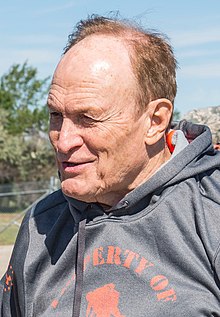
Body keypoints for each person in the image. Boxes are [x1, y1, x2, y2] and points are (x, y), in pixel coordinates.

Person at [1, 15, 220, 317]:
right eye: (55, 115)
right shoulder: (41, 223)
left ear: (155, 121)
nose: (63, 142)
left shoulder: (210, 215)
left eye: (88, 118)